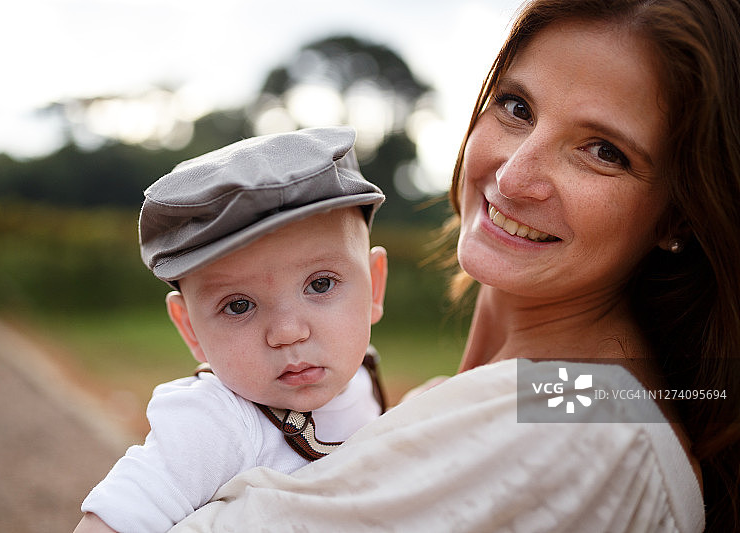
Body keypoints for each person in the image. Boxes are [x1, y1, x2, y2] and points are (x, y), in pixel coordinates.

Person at [160, 1, 740, 532]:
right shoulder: (554, 401)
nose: (512, 177)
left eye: (603, 151)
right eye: (517, 107)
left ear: (679, 216)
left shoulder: (578, 425)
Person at [73, 126, 389, 533]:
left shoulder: (360, 372)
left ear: (374, 286)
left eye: (321, 284)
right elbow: (112, 521)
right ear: (190, 329)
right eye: (239, 305)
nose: (288, 332)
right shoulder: (217, 421)